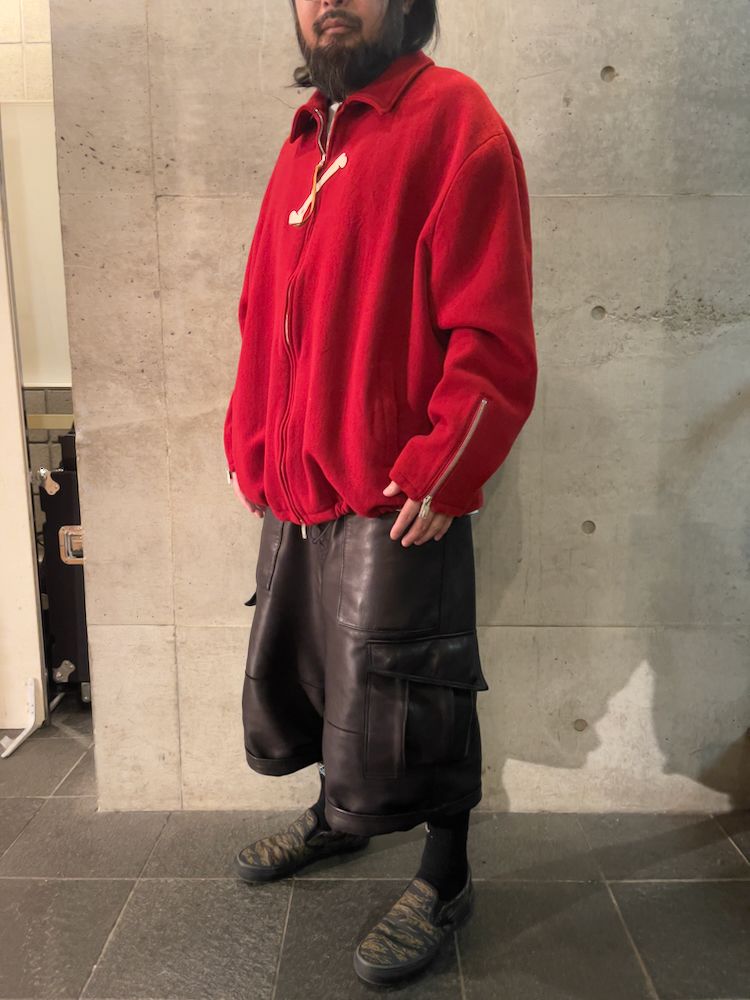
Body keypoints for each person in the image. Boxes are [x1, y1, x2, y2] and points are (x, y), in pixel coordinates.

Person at [223, 0, 537, 985]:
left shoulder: (454, 122)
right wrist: (250, 439)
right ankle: (337, 816)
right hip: (297, 486)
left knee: (420, 690)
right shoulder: (303, 141)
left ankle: (446, 876)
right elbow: (260, 310)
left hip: (398, 493)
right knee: (323, 669)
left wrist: (447, 463)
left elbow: (492, 328)